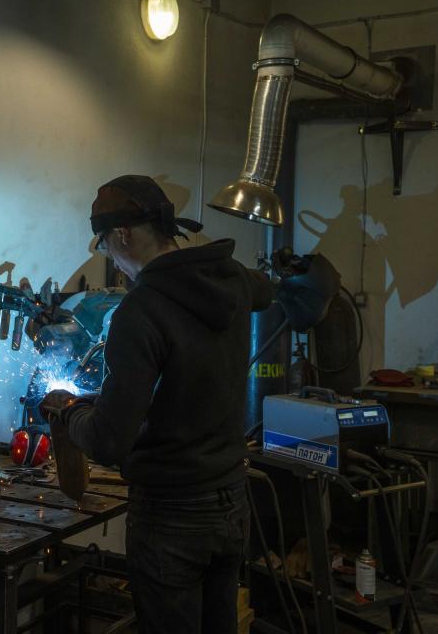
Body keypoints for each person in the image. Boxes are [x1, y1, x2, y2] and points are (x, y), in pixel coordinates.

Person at [40, 175, 273, 634]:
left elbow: (108, 443)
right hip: (230, 502)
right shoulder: (231, 279)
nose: (110, 258)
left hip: (172, 517)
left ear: (123, 235)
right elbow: (265, 292)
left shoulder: (139, 311)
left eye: (105, 245)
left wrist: (70, 413)